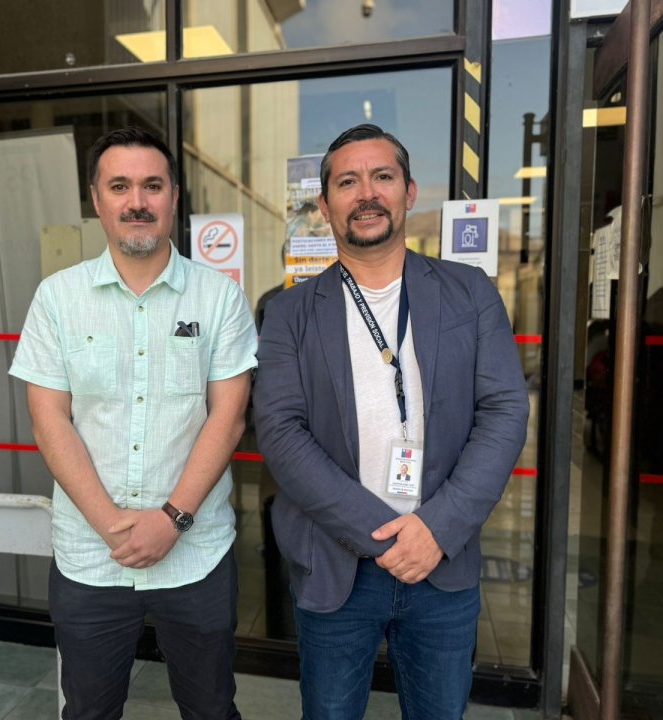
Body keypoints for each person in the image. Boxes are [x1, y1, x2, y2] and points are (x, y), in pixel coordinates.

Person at [253, 124, 529, 719]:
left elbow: (504, 411)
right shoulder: (289, 312)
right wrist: (384, 535)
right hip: (336, 566)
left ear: (409, 190)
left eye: (382, 176)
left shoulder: (469, 292)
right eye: (347, 182)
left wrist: (435, 530)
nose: (367, 193)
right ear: (325, 204)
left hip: (442, 560)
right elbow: (279, 430)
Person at [9, 126, 257, 720]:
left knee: (211, 709)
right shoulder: (57, 298)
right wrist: (113, 527)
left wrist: (171, 521)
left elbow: (228, 417)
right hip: (90, 557)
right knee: (89, 712)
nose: (137, 201)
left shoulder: (219, 297)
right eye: (119, 186)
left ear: (174, 197)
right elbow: (49, 420)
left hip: (196, 553)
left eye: (152, 185)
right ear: (96, 200)